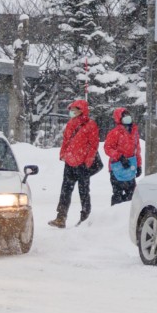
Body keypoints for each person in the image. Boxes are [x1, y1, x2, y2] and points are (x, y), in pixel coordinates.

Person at [50, 98, 100, 228]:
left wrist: (88, 161)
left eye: (74, 110)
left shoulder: (91, 124)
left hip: (83, 164)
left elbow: (93, 145)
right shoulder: (71, 123)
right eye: (71, 110)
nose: (72, 112)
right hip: (70, 162)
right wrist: (63, 154)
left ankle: (85, 217)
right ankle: (61, 217)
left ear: (81, 110)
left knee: (83, 192)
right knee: (65, 191)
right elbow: (66, 141)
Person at [102, 106, 141, 205]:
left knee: (132, 196)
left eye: (128, 115)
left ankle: (126, 216)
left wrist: (139, 165)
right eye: (124, 116)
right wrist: (119, 157)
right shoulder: (114, 133)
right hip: (117, 168)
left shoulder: (134, 132)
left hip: (130, 167)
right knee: (117, 195)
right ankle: (115, 216)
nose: (127, 117)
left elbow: (137, 150)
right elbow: (108, 148)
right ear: (118, 118)